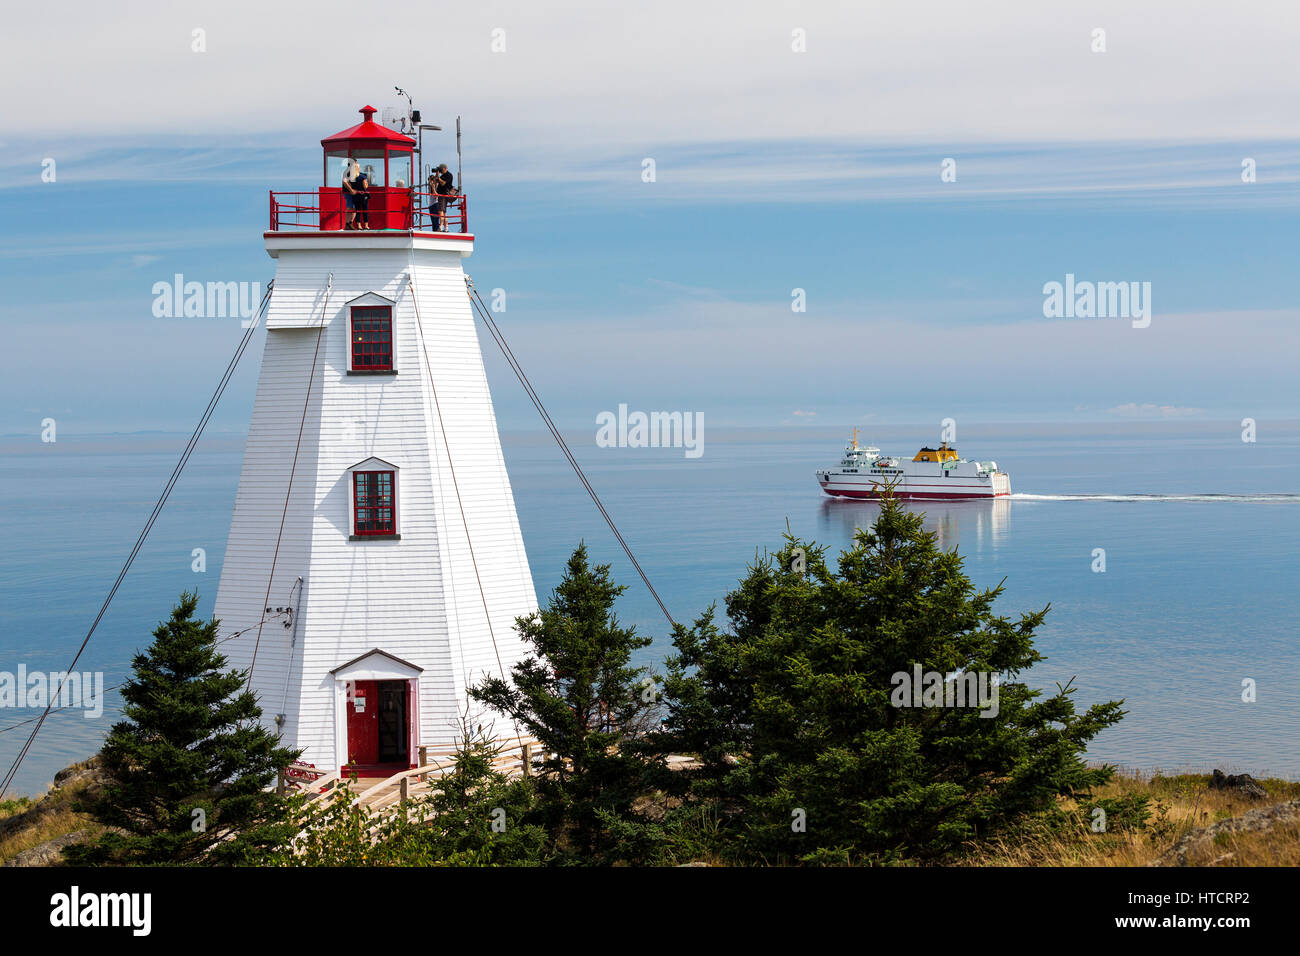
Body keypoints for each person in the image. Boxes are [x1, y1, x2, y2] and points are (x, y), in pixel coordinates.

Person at [341, 158, 361, 230]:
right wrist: (351, 190)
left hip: (354, 193)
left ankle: (350, 223)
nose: (356, 164)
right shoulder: (347, 172)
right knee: (350, 207)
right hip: (348, 193)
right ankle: (347, 223)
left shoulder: (354, 172)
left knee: (355, 208)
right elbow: (345, 182)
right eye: (355, 163)